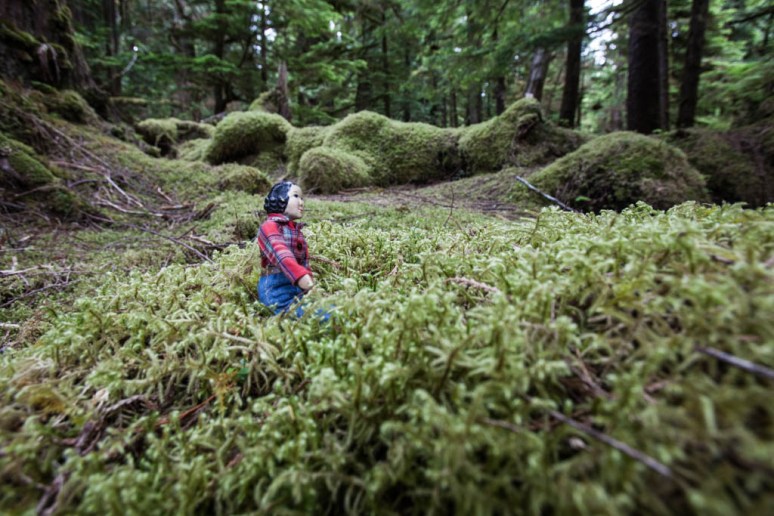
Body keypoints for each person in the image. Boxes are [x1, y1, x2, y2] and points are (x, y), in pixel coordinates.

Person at [256, 181, 315, 317]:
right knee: (306, 315)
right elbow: (280, 253)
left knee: (319, 310)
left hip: (297, 287)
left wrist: (308, 280)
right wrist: (300, 276)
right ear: (279, 198)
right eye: (296, 196)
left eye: (302, 198)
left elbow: (303, 262)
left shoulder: (295, 230)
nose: (301, 203)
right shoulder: (269, 226)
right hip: (276, 286)